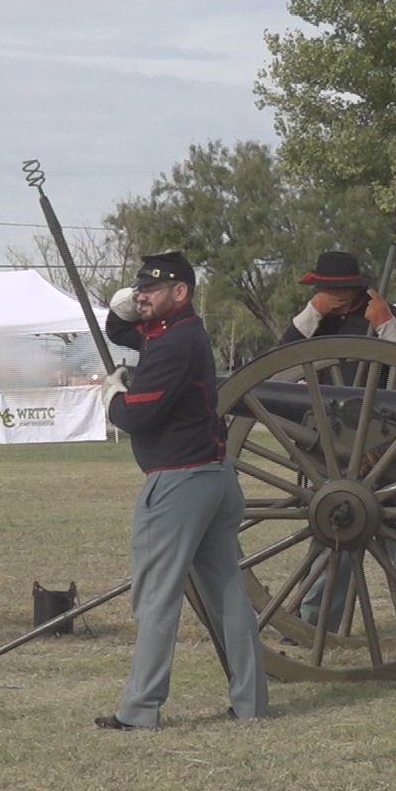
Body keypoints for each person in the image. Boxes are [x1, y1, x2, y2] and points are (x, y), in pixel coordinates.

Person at [95, 251, 268, 730]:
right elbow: (118, 329)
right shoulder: (177, 333)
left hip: (178, 482)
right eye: (140, 289)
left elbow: (137, 416)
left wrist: (113, 395)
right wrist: (131, 302)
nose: (142, 296)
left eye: (153, 289)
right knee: (228, 594)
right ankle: (252, 704)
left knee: (155, 598)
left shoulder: (173, 345)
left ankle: (140, 710)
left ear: (181, 292)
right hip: (214, 476)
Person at [278, 251, 396, 632]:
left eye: (340, 288)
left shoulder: (386, 316)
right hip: (338, 444)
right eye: (326, 288)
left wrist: (387, 327)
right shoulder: (315, 323)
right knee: (337, 531)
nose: (334, 295)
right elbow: (277, 363)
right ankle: (316, 621)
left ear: (357, 286)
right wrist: (310, 315)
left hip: (390, 441)